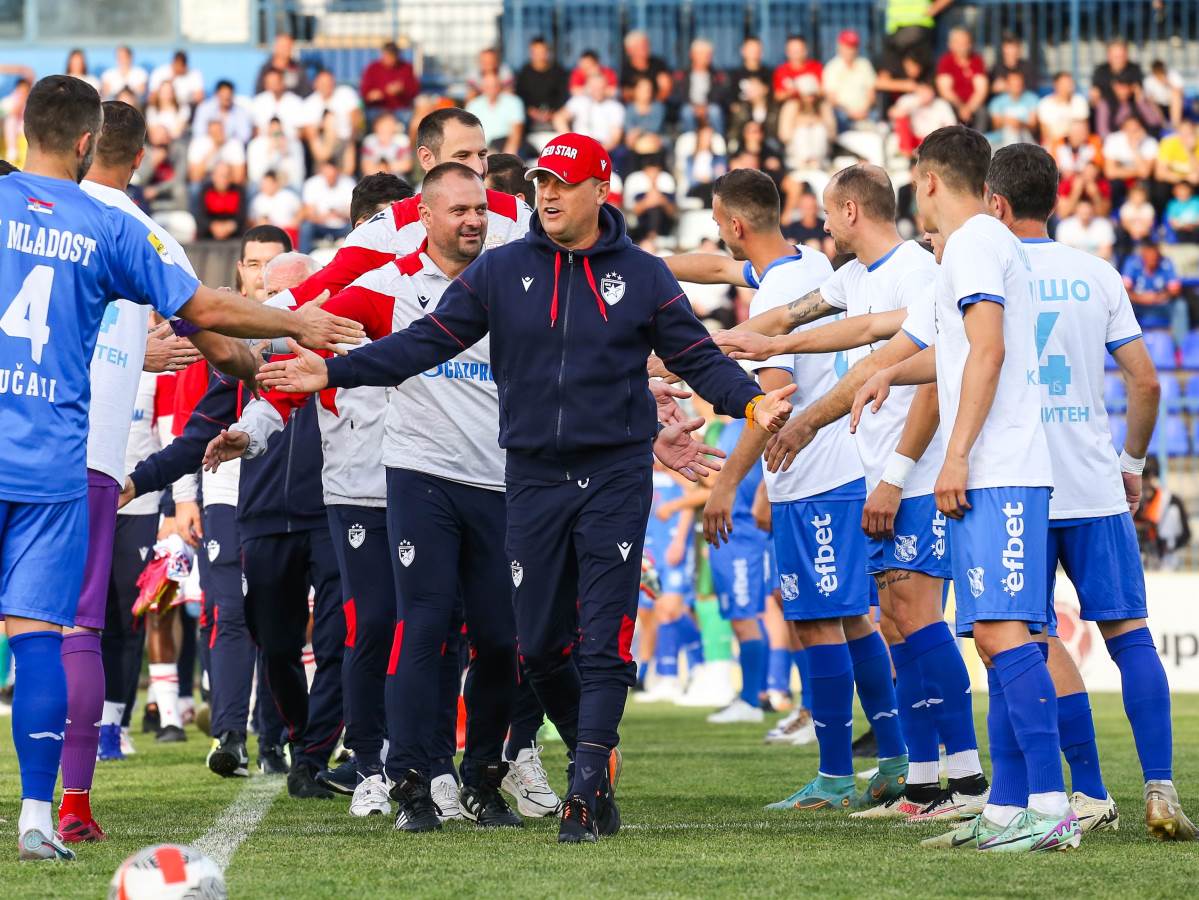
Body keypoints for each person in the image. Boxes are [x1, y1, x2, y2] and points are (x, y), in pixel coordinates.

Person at [257, 133, 797, 844]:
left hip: (612, 475)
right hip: (523, 478)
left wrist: (749, 403)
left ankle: (575, 784)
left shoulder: (640, 274)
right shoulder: (500, 272)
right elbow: (426, 343)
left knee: (596, 637)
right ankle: (460, 768)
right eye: (541, 181)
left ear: (601, 192)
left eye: (563, 183)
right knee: (533, 645)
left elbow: (693, 355)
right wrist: (330, 372)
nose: (546, 193)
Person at [0, 75, 361, 862]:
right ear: (89, 143)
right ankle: (39, 817)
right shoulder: (109, 224)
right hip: (61, 465)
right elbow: (209, 310)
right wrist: (293, 322)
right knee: (46, 639)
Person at [716, 164, 989, 821]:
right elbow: (813, 319)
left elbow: (919, 370)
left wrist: (895, 472)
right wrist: (738, 343)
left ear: (847, 211)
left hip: (915, 475)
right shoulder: (853, 276)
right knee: (894, 622)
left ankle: (966, 779)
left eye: (824, 213)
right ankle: (922, 783)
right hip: (878, 475)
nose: (818, 224)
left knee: (916, 621)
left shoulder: (916, 272)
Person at [850, 126, 1075, 852]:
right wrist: (884, 372)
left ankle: (1050, 808)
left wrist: (955, 455)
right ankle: (1009, 808)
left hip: (999, 470)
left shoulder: (976, 240)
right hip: (994, 472)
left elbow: (988, 348)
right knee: (991, 637)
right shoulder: (966, 249)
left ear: (927, 180)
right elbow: (942, 350)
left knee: (1008, 634)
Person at [668, 168, 911, 813]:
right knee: (854, 618)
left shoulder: (778, 287)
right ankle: (892, 759)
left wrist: (727, 486)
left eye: (720, 223)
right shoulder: (803, 265)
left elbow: (771, 405)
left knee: (815, 625)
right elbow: (719, 270)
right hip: (835, 470)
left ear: (735, 225)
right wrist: (648, 263)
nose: (719, 237)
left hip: (817, 473)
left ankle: (837, 777)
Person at [985, 141, 1195, 841]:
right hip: (1093, 480)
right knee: (1129, 638)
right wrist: (1130, 460)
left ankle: (1069, 793)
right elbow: (1145, 381)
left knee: (1020, 641)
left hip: (1016, 484)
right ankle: (1159, 789)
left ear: (995, 202)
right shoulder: (1096, 274)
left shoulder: (988, 272)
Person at [273, 109, 533, 312]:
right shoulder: (385, 230)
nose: (478, 168)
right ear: (426, 158)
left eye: (482, 154)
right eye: (463, 156)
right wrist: (241, 321)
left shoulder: (518, 216)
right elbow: (313, 295)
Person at [515, 36, 569, 142]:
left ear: (548, 52)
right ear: (531, 53)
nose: (540, 55)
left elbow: (563, 96)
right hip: (529, 119)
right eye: (536, 52)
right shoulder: (524, 73)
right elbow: (520, 96)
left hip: (554, 117)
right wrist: (530, 111)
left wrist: (552, 113)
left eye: (543, 52)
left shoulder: (558, 71)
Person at [822, 30, 876, 133]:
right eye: (847, 46)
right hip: (843, 115)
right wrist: (850, 113)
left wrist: (864, 111)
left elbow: (871, 94)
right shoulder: (832, 67)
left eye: (853, 46)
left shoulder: (864, 64)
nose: (850, 50)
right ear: (839, 46)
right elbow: (831, 99)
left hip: (866, 112)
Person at [556, 73, 625, 153]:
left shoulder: (615, 107)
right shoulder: (578, 101)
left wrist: (596, 152)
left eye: (600, 87)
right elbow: (559, 118)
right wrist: (570, 142)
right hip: (578, 147)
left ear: (606, 87)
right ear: (587, 87)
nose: (597, 90)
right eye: (594, 87)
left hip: (603, 149)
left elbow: (615, 138)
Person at [935, 28, 988, 127]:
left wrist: (969, 108)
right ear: (951, 45)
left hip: (973, 105)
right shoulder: (946, 61)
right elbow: (945, 91)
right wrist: (961, 107)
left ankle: (980, 141)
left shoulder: (977, 60)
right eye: (959, 43)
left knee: (982, 112)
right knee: (945, 109)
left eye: (966, 43)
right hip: (953, 104)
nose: (963, 47)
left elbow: (981, 90)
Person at [359, 41, 419, 125]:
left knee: (409, 117)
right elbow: (364, 93)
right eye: (387, 55)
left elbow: (414, 91)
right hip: (377, 109)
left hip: (400, 109)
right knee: (370, 117)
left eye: (392, 56)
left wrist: (402, 90)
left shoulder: (406, 68)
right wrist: (373, 95)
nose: (389, 59)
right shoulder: (372, 68)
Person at [299, 160, 354, 252]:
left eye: (333, 176)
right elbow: (309, 213)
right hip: (320, 225)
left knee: (355, 227)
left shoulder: (348, 182)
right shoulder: (312, 184)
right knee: (306, 227)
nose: (330, 179)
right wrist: (324, 217)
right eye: (327, 176)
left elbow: (353, 211)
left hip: (342, 225)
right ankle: (303, 257)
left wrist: (339, 214)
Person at [465, 72, 525, 154]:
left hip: (504, 146)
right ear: (482, 87)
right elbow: (468, 132)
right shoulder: (473, 105)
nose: (492, 89)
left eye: (495, 85)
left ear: (500, 86)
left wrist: (508, 155)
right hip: (482, 148)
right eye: (488, 86)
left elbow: (516, 132)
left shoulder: (514, 101)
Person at [192, 81, 254, 148]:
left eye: (229, 94)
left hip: (229, 145)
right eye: (223, 94)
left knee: (236, 145)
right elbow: (198, 131)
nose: (226, 97)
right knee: (199, 142)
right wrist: (215, 139)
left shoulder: (240, 111)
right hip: (209, 144)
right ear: (217, 94)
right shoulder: (205, 108)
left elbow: (244, 136)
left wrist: (225, 139)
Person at [1036, 72, 1090, 146]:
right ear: (1056, 85)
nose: (1068, 86)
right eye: (1064, 83)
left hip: (1076, 143)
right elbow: (1045, 132)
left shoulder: (1079, 101)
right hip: (1055, 144)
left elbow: (1083, 128)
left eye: (1070, 83)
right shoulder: (1045, 104)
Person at [251, 68, 306, 139]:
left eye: (275, 82)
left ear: (282, 82)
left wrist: (280, 135)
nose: (273, 85)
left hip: (289, 141)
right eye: (270, 82)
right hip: (265, 141)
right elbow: (255, 130)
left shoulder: (295, 101)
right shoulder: (258, 101)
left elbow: (300, 131)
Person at [620, 31, 672, 103]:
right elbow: (624, 93)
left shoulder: (658, 64)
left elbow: (666, 89)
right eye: (640, 46)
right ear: (629, 50)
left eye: (646, 45)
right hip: (634, 106)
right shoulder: (625, 69)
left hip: (656, 104)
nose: (644, 48)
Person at [256, 32, 312, 97]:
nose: (285, 49)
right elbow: (258, 93)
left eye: (288, 46)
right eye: (282, 46)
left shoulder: (298, 68)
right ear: (276, 47)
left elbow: (306, 91)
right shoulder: (266, 69)